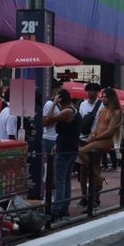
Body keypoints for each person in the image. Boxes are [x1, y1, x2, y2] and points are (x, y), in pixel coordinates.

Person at [78, 89, 121, 210]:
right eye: (103, 97)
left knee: (81, 152)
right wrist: (93, 134)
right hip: (97, 140)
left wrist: (96, 137)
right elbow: (98, 127)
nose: (103, 99)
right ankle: (95, 198)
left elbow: (110, 131)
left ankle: (98, 179)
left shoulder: (115, 112)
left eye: (106, 97)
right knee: (93, 168)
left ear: (112, 98)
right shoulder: (103, 110)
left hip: (105, 142)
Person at [48, 89, 81, 218]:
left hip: (65, 150)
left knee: (60, 181)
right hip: (71, 148)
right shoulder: (76, 110)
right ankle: (64, 207)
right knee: (66, 179)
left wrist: (53, 103)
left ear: (61, 100)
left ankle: (57, 209)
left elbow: (50, 117)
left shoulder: (67, 111)